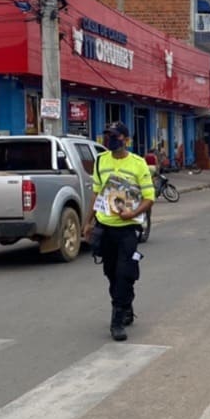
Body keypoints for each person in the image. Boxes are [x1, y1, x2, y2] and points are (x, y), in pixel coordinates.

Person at [82, 122, 154, 342]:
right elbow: (96, 194)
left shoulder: (138, 164)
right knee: (111, 273)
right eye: (107, 136)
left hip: (127, 230)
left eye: (113, 136)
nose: (109, 140)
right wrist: (88, 222)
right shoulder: (101, 161)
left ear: (125, 139)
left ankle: (117, 320)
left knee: (125, 273)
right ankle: (126, 304)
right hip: (105, 228)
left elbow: (149, 198)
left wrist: (132, 214)